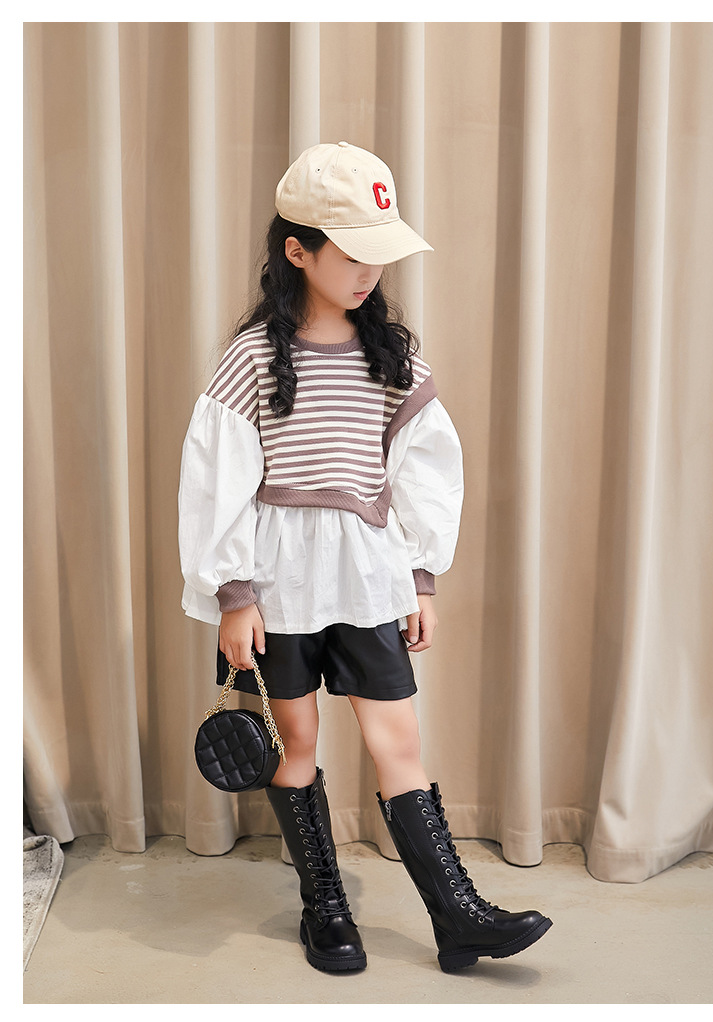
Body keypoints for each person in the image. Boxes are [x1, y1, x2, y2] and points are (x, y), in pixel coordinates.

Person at [178, 141, 552, 974]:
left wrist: (421, 578)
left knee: (398, 742)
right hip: (276, 584)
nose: (368, 274)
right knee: (298, 744)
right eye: (352, 256)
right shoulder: (252, 359)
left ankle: (458, 917)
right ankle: (325, 911)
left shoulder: (394, 359)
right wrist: (233, 594)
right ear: (297, 251)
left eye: (378, 256)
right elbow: (215, 482)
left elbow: (426, 474)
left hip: (367, 576)